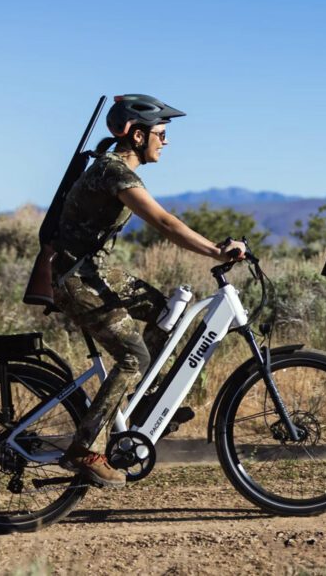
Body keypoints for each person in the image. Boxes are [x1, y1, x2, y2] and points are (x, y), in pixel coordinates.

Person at [52, 94, 246, 487]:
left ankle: (149, 405)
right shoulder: (114, 171)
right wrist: (214, 250)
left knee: (164, 309)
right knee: (133, 357)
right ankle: (83, 449)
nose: (166, 141)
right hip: (80, 280)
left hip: (97, 273)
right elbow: (162, 221)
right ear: (138, 135)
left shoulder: (114, 168)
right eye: (160, 133)